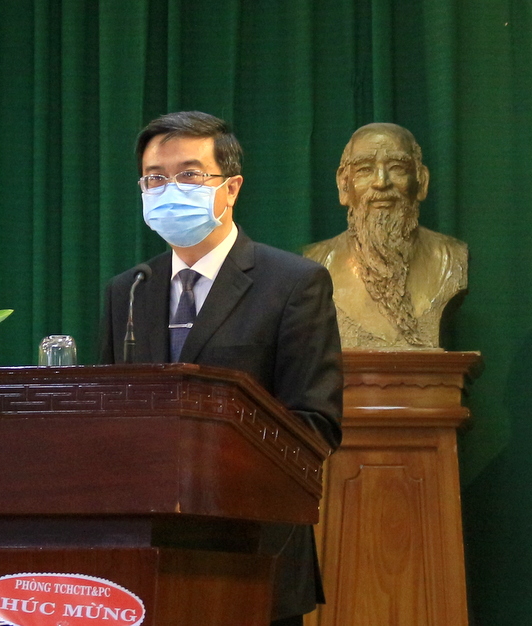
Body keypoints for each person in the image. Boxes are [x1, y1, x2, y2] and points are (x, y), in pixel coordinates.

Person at [99, 111, 343, 624]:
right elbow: (106, 414)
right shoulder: (130, 289)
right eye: (155, 179)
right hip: (144, 554)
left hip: (254, 551)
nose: (169, 190)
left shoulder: (293, 284)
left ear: (231, 188)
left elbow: (314, 424)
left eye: (189, 175)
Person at [304, 123, 468, 349]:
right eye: (364, 169)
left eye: (397, 168)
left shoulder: (452, 260)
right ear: (344, 185)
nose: (381, 182)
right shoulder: (316, 265)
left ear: (421, 181)